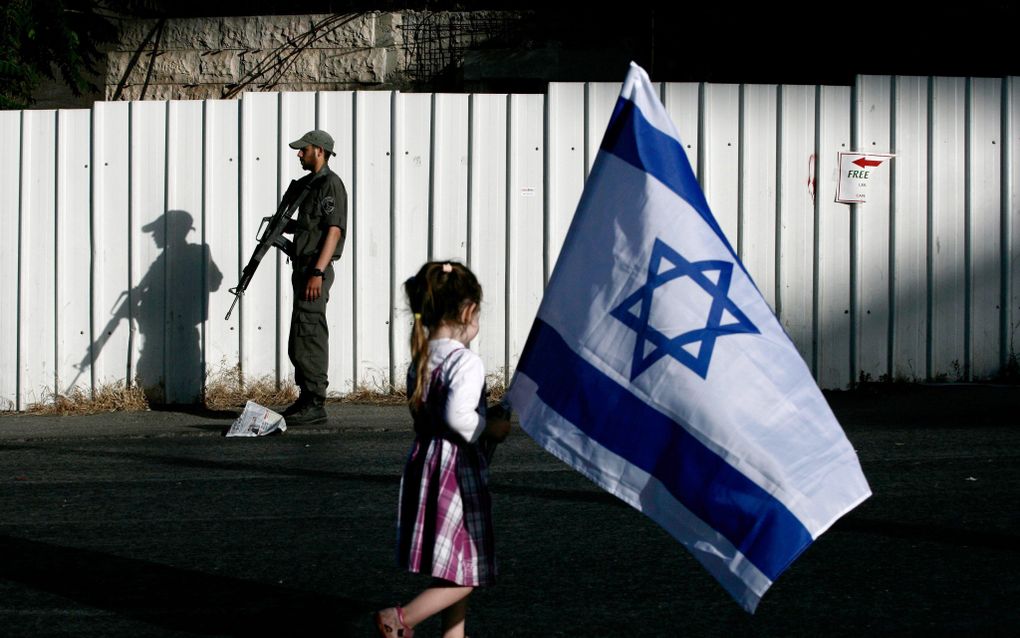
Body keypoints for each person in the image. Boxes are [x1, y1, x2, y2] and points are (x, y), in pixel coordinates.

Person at [375, 261, 512, 638]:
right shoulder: (465, 361)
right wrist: (492, 428)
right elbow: (458, 415)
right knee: (471, 571)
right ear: (468, 311)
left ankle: (454, 634)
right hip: (456, 470)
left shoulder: (422, 358)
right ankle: (399, 620)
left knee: (454, 562)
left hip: (428, 463)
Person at [280, 130, 347, 425]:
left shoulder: (330, 184)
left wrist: (318, 272)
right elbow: (313, 226)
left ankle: (316, 402)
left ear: (319, 151)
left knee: (310, 331)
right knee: (300, 333)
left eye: (303, 150)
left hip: (314, 270)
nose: (299, 154)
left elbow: (333, 231)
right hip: (303, 267)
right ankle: (306, 396)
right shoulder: (309, 186)